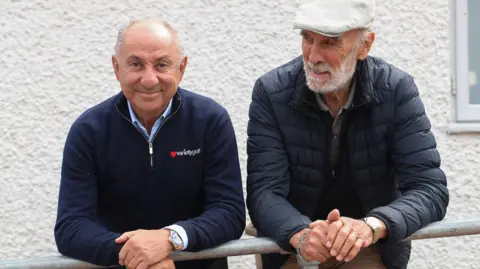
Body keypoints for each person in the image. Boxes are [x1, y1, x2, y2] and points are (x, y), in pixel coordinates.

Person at [246, 0, 449, 268]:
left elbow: (430, 189)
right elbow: (263, 192)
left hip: (367, 242)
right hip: (291, 243)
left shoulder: (396, 90)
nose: (313, 56)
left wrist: (372, 226)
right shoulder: (271, 92)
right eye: (307, 38)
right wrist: (301, 233)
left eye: (329, 42)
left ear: (365, 46)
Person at [54, 18, 246, 269]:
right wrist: (137, 256)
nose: (149, 79)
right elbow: (71, 226)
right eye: (135, 64)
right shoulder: (89, 130)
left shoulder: (210, 120)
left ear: (182, 68)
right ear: (116, 67)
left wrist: (170, 239)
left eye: (162, 65)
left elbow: (229, 212)